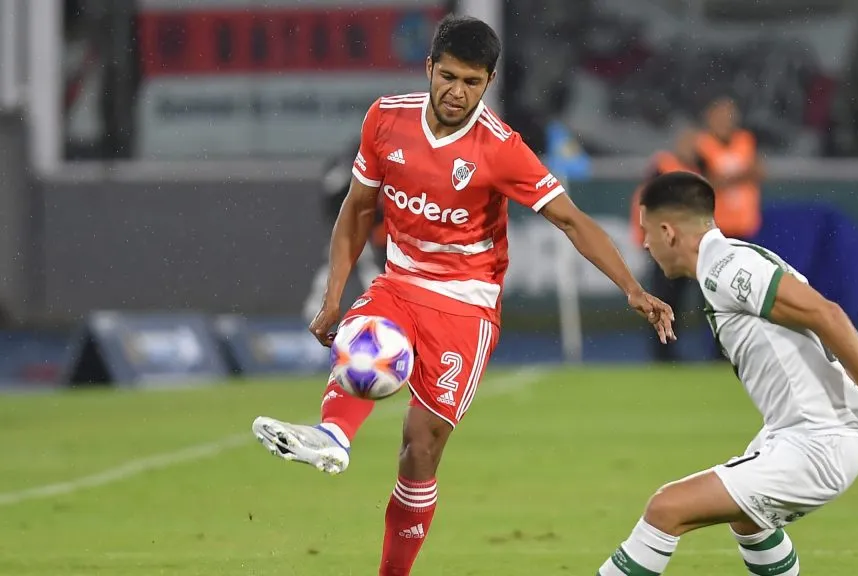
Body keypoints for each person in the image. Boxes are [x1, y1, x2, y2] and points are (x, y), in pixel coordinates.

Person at [251, 15, 675, 576]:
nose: (457, 93)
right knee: (362, 340)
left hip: (466, 304)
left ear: (489, 82)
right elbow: (357, 208)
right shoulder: (386, 119)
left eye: (472, 83)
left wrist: (632, 287)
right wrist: (334, 295)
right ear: (429, 68)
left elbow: (571, 220)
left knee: (420, 450)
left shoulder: (501, 149)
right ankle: (333, 436)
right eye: (448, 77)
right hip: (399, 281)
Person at [596, 171, 858, 576]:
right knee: (750, 519)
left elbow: (826, 314)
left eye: (646, 232)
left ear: (668, 231)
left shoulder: (727, 269)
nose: (645, 244)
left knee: (666, 508)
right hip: (812, 432)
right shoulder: (734, 259)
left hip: (816, 443)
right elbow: (818, 338)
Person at [631, 127, 705, 362]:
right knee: (665, 297)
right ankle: (662, 351)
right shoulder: (663, 165)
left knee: (696, 298)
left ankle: (694, 349)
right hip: (665, 245)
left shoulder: (699, 167)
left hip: (689, 244)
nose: (690, 148)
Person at [302, 148, 388, 323]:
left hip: (361, 223)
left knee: (365, 264)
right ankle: (313, 310)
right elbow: (333, 193)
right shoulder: (348, 163)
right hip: (345, 222)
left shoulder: (377, 159)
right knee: (335, 264)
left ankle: (380, 306)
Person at [695, 97, 765, 241]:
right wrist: (741, 176)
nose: (725, 121)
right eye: (720, 116)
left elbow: (760, 172)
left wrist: (729, 178)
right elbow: (704, 184)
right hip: (715, 226)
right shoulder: (702, 145)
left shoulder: (745, 140)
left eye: (729, 116)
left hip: (745, 224)